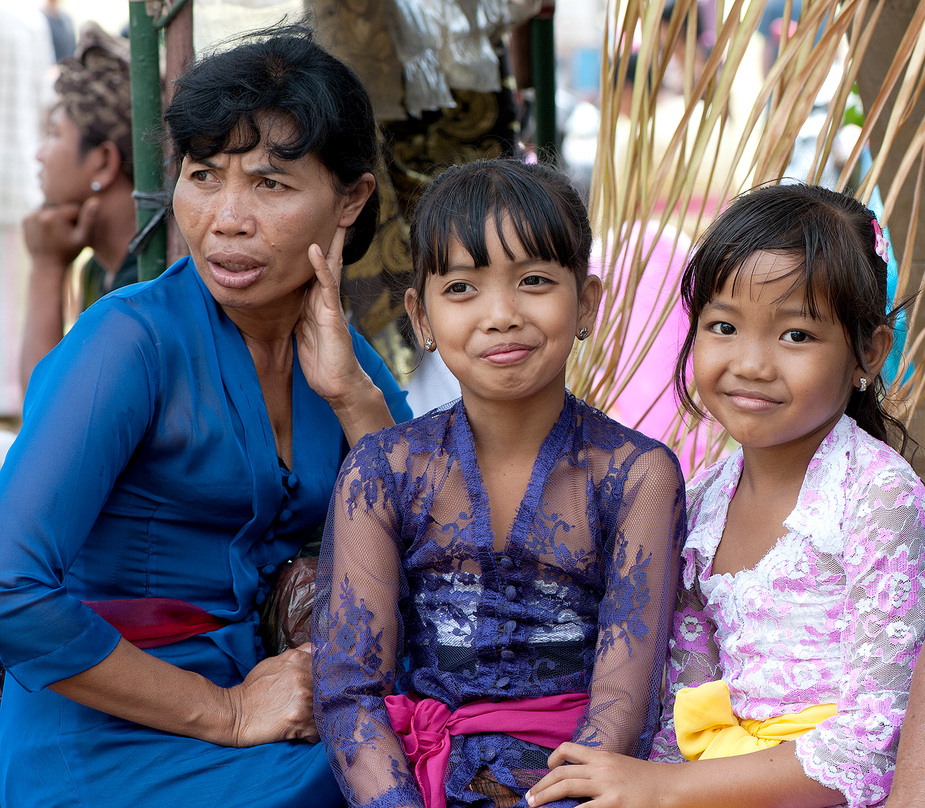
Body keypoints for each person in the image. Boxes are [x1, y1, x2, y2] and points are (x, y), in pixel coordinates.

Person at [0, 24, 412, 807]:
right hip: (106, 735)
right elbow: (6, 586)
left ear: (350, 199)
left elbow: (438, 558)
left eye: (270, 184)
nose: (226, 218)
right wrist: (222, 711)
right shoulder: (129, 343)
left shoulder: (340, 353)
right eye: (203, 176)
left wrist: (354, 398)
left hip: (281, 713)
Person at [525, 183, 925, 808]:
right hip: (719, 778)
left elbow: (873, 743)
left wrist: (666, 788)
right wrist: (643, 783)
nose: (751, 363)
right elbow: (687, 695)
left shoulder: (877, 497)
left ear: (867, 353)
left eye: (795, 335)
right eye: (723, 326)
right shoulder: (706, 496)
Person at [312, 158, 686, 808]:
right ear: (420, 317)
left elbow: (625, 698)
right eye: (461, 289)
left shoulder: (635, 475)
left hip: (580, 786)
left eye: (534, 281)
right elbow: (350, 693)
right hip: (420, 786)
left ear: (586, 303)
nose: (501, 314)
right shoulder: (381, 472)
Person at [20, 22, 139, 394]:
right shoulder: (97, 269)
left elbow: (48, 419)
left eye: (54, 135)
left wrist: (45, 267)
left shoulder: (146, 280)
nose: (40, 154)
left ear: (103, 162)